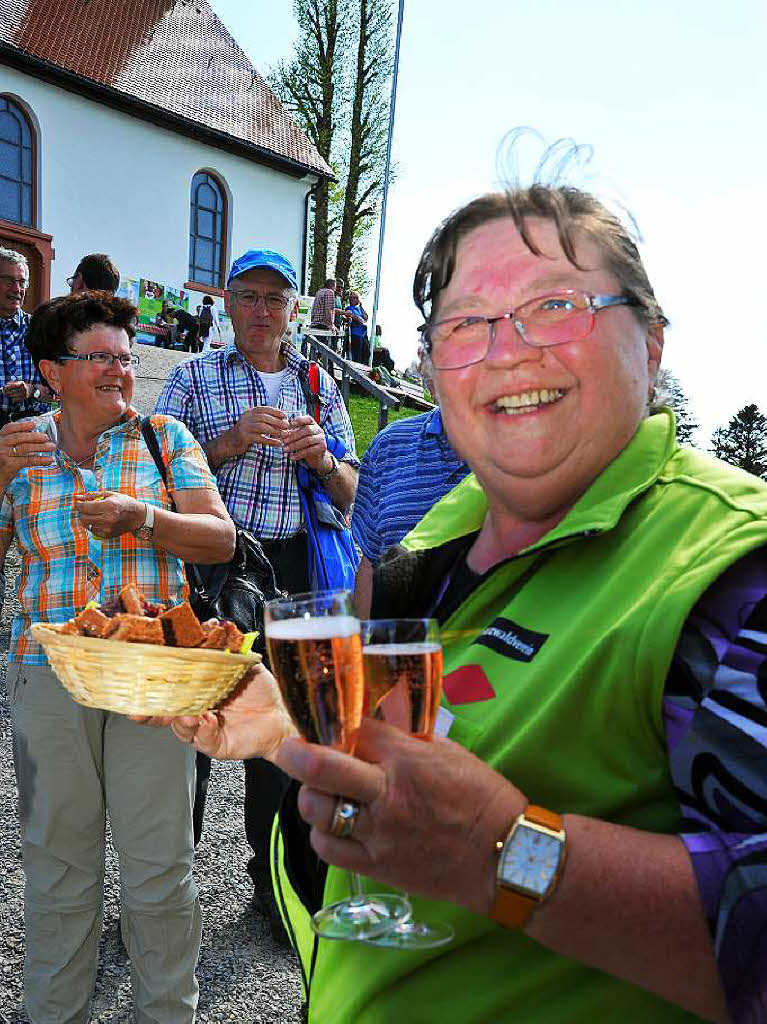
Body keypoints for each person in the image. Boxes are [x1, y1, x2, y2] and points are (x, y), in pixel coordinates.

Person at [168, 183, 767, 1024]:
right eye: (464, 323)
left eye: (555, 305)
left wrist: (506, 856)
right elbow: (412, 750)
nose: (505, 350)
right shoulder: (445, 527)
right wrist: (281, 727)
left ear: (653, 341)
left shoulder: (734, 573)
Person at [0, 290, 235, 1022]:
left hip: (152, 681)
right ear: (51, 370)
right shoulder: (17, 448)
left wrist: (145, 518)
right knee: (57, 871)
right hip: (46, 678)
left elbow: (220, 538)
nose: (119, 371)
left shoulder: (166, 436)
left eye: (126, 358)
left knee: (161, 873)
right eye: (99, 357)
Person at [155, 248, 359, 939]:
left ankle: (273, 888)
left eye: (275, 299)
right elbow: (151, 479)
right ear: (228, 303)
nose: (262, 311)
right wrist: (227, 442)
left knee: (281, 740)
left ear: (294, 309)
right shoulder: (192, 376)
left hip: (294, 577)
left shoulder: (316, 385)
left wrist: (323, 459)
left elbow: (355, 494)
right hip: (211, 572)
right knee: (188, 736)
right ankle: (164, 896)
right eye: (248, 297)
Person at [352, 405, 469, 616]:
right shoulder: (388, 445)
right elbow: (371, 562)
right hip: (398, 643)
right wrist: (365, 643)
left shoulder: (524, 451)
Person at [0, 247, 53, 430]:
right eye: (8, 280)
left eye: (22, 282)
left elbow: (61, 392)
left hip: (34, 428)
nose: (17, 289)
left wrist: (32, 390)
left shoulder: (40, 329)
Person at [344, 290, 369, 363]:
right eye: (355, 298)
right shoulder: (349, 308)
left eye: (358, 298)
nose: (357, 299)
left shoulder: (359, 309)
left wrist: (361, 307)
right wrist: (359, 319)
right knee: (357, 355)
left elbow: (366, 317)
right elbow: (355, 317)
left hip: (363, 334)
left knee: (366, 353)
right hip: (355, 334)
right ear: (351, 299)